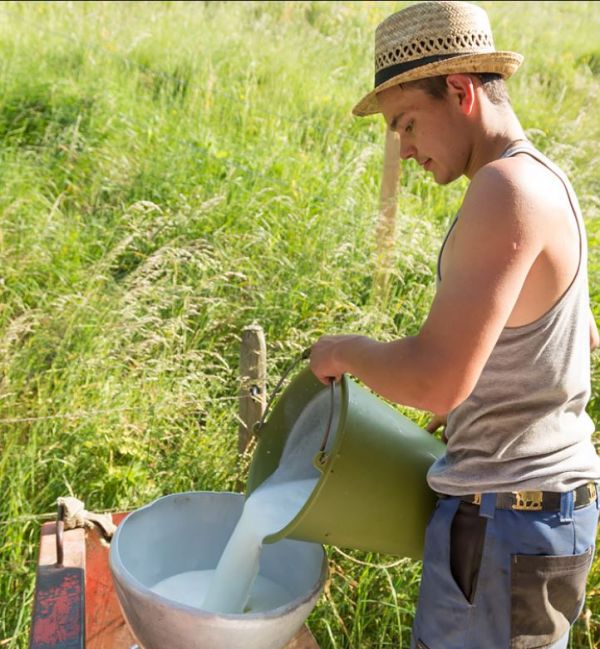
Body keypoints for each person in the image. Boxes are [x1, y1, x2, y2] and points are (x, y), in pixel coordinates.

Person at [308, 2, 600, 648]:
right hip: (541, 518)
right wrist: (490, 393)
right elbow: (579, 334)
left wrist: (342, 351)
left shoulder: (504, 192)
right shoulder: (547, 180)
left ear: (461, 91)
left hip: (504, 526)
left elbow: (437, 380)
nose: (404, 149)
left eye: (407, 123)